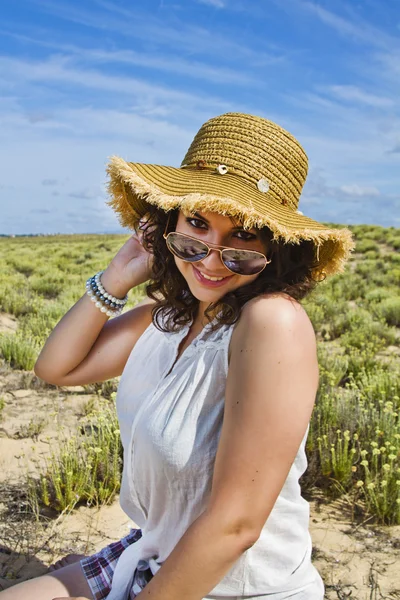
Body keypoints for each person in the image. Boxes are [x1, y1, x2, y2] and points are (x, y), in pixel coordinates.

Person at [1, 112, 355, 600]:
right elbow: (55, 368)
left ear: (278, 248)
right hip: (149, 555)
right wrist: (118, 277)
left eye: (244, 238)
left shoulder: (272, 322)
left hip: (228, 588)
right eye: (196, 226)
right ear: (169, 221)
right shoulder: (167, 318)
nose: (210, 258)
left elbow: (236, 527)